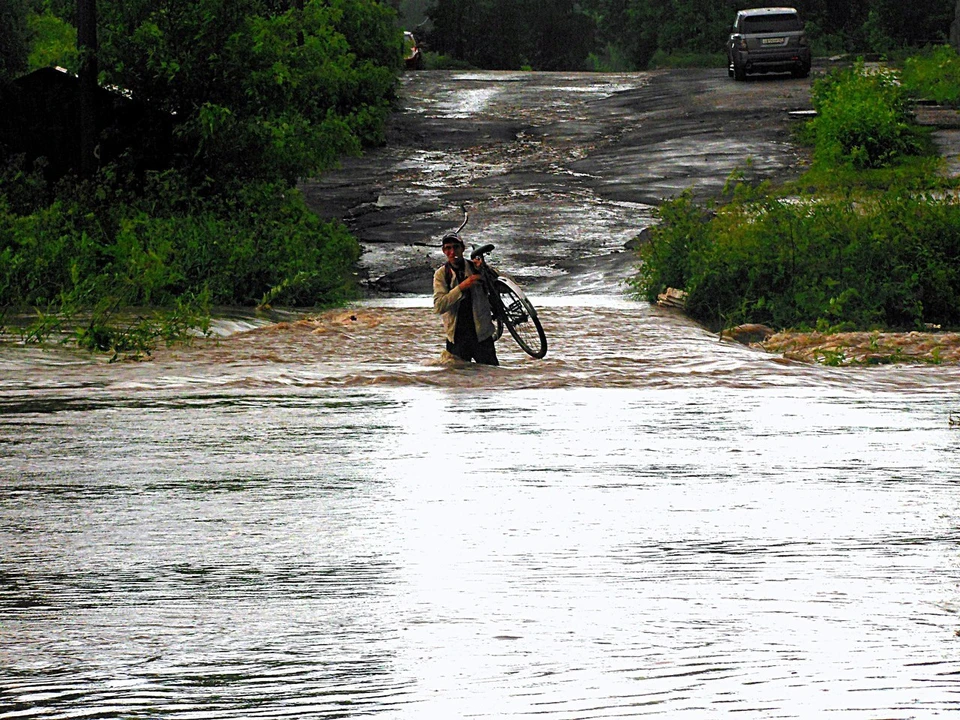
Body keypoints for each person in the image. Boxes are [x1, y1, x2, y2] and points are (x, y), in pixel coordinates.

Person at [433, 232, 499, 365]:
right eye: (448, 248)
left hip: (481, 336)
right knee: (458, 382)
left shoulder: (475, 267)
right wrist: (463, 286)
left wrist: (485, 270)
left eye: (456, 247)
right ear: (444, 251)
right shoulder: (441, 274)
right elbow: (439, 306)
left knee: (492, 378)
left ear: (462, 248)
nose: (452, 252)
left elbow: (503, 283)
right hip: (456, 338)